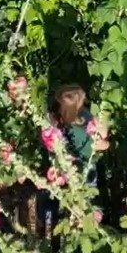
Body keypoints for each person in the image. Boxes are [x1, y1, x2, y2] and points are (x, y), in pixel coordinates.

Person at [38, 84, 96, 236]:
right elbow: (91, 149)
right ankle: (82, 228)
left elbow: (47, 142)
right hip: (81, 168)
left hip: (57, 165)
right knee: (86, 198)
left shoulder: (49, 119)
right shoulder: (86, 122)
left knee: (50, 195)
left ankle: (48, 228)